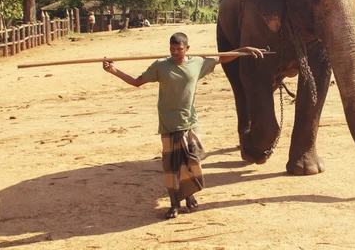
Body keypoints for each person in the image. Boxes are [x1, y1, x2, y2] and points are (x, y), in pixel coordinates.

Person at [103, 32, 264, 219]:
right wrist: (113, 71)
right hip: (169, 122)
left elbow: (223, 58)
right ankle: (173, 204)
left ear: (187, 48)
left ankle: (189, 194)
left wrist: (245, 50)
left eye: (179, 49)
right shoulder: (161, 66)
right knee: (172, 168)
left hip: (190, 122)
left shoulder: (197, 63)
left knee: (192, 162)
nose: (175, 53)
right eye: (172, 49)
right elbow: (137, 82)